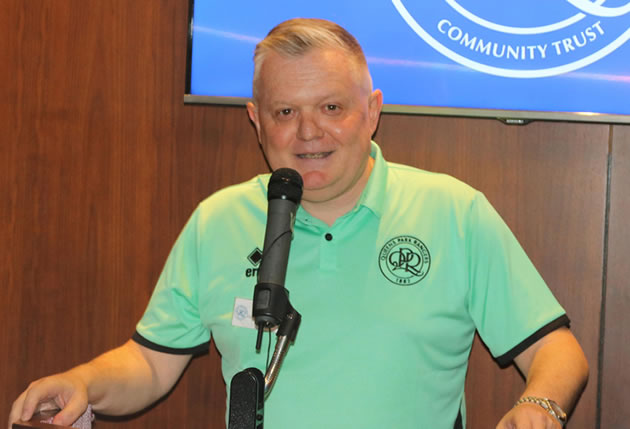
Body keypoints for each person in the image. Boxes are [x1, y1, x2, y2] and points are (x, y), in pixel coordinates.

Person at [9, 18, 588, 429]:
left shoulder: (454, 212)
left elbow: (557, 351)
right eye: (286, 111)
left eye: (331, 107)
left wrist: (539, 405)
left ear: (372, 111)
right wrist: (83, 382)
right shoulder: (218, 220)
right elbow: (150, 363)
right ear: (256, 120)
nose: (309, 132)